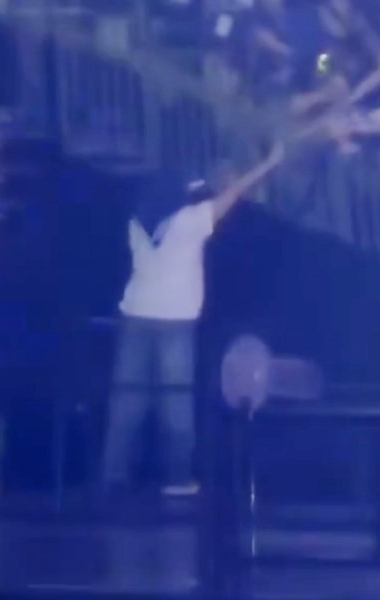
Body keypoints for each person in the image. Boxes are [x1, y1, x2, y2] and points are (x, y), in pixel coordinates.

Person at [102, 143, 287, 496]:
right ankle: (177, 478)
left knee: (128, 399)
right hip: (174, 319)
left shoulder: (137, 223)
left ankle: (113, 475)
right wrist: (268, 163)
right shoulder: (187, 223)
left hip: (135, 314)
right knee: (176, 402)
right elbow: (233, 195)